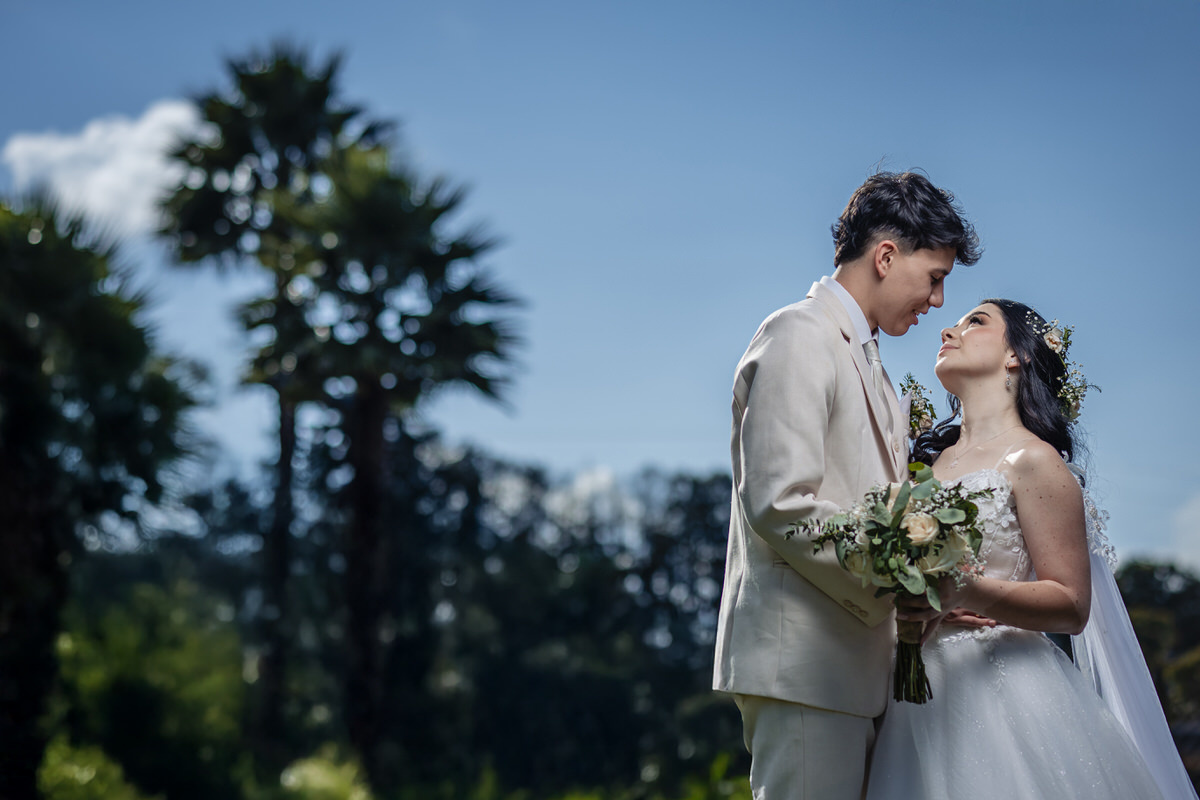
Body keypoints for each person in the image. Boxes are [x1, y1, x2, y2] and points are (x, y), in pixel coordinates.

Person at [711, 171, 981, 799]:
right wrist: (896, 576)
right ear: (886, 256)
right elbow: (781, 505)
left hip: (856, 671)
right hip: (804, 668)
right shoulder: (799, 335)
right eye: (935, 277)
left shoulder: (877, 373)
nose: (938, 301)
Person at [866, 299, 1197, 799]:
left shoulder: (1034, 460)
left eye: (974, 322)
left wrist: (965, 591)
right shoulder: (917, 469)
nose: (948, 330)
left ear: (1016, 355)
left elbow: (1072, 604)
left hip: (1003, 695)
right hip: (912, 698)